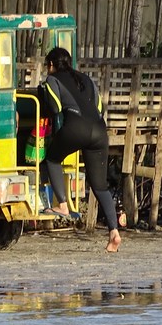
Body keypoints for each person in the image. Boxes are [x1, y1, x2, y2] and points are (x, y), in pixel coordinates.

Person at [40, 47, 121, 253]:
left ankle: (63, 205)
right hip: (100, 131)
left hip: (76, 128)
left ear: (51, 65)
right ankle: (114, 232)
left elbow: (55, 107)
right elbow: (101, 108)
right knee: (100, 185)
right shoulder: (85, 79)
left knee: (52, 158)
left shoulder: (52, 80)